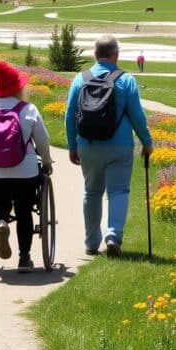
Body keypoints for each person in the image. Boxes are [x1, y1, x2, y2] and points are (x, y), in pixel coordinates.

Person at [65, 35, 153, 257]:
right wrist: (147, 142)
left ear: (95, 55)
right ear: (116, 55)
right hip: (119, 145)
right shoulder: (126, 80)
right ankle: (113, 236)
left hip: (88, 144)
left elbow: (70, 115)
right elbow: (137, 116)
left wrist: (72, 145)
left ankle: (91, 242)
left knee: (92, 192)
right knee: (118, 191)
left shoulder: (80, 78)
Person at [0, 62, 54, 272]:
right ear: (17, 87)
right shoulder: (28, 110)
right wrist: (48, 162)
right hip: (25, 172)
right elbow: (42, 141)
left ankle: (0, 223)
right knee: (24, 210)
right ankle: (24, 258)